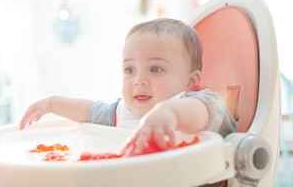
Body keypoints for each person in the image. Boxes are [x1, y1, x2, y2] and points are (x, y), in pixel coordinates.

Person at [20, 18, 237, 154]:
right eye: (130, 70)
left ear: (190, 81)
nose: (138, 81)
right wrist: (51, 104)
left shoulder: (198, 102)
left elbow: (204, 112)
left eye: (155, 69)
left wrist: (168, 112)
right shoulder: (122, 113)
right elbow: (88, 111)